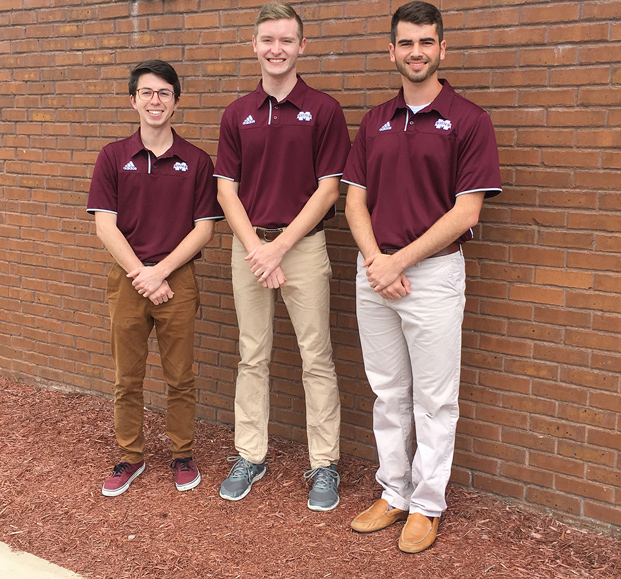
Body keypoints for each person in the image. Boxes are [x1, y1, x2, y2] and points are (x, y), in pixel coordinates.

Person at [343, 1, 502, 553]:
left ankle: (427, 505)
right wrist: (375, 263)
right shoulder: (374, 120)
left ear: (442, 49)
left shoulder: (468, 121)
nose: (416, 52)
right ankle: (394, 492)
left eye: (426, 42)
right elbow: (354, 201)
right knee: (387, 393)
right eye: (405, 43)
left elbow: (467, 212)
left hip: (430, 277)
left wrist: (397, 262)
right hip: (374, 274)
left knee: (435, 399)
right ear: (391, 51)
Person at [214, 2, 350, 511]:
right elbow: (227, 190)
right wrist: (257, 249)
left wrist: (280, 248)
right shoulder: (237, 113)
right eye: (267, 39)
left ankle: (324, 464)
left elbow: (328, 189)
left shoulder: (324, 109)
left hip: (303, 248)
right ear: (254, 45)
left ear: (301, 46)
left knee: (316, 358)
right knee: (253, 355)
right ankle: (250, 454)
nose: (276, 49)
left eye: (286, 40)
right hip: (250, 249)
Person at [87, 60, 222, 496]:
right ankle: (130, 457)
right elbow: (105, 225)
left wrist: (160, 272)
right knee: (127, 377)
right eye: (146, 92)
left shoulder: (198, 161)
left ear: (176, 102)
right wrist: (141, 274)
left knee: (180, 376)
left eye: (164, 92)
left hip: (177, 281)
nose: (155, 101)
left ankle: (182, 453)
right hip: (127, 279)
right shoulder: (112, 156)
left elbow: (204, 228)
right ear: (133, 100)